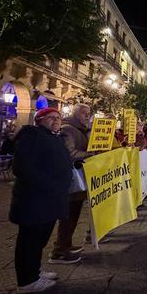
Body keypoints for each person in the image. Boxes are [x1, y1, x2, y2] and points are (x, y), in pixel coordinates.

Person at [10, 107, 72, 293]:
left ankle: (34, 272)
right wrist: (50, 185)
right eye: (50, 118)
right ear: (39, 120)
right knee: (29, 241)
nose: (55, 120)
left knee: (40, 239)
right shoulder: (32, 137)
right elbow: (22, 168)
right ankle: (27, 281)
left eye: (58, 117)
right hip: (34, 199)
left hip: (48, 200)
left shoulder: (53, 137)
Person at [50, 103, 91, 264]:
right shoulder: (68, 129)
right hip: (72, 179)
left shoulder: (81, 129)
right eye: (83, 113)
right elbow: (71, 153)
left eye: (88, 113)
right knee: (69, 215)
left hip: (79, 178)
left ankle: (66, 245)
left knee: (74, 214)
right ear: (75, 114)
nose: (87, 116)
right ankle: (59, 251)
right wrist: (91, 154)